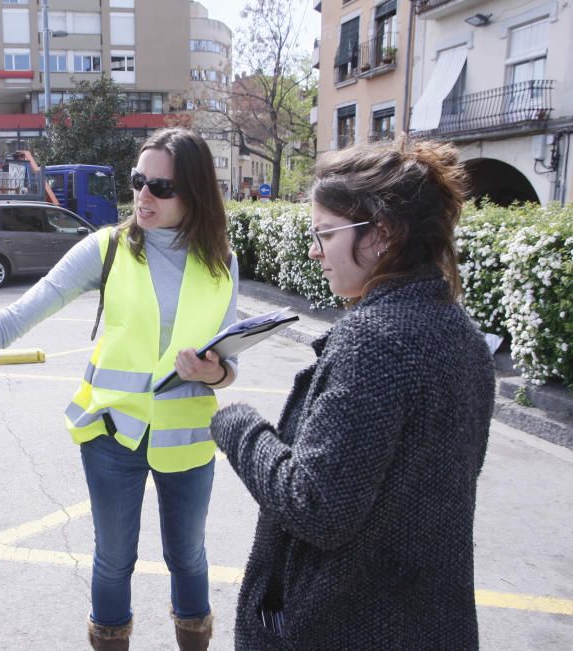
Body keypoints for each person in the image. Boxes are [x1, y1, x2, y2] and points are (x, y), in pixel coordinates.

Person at [0, 128, 240, 650]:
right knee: (114, 559)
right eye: (138, 180)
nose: (142, 195)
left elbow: (228, 364)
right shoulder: (109, 249)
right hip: (111, 435)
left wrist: (211, 373)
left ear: (195, 192)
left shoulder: (222, 264)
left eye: (160, 188)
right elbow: (14, 318)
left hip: (188, 437)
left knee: (187, 557)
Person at [209, 139, 495, 649]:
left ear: (381, 233)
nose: (315, 251)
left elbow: (313, 504)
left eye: (325, 234)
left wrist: (238, 425)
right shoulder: (462, 334)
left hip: (347, 621)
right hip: (430, 620)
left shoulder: (374, 340)